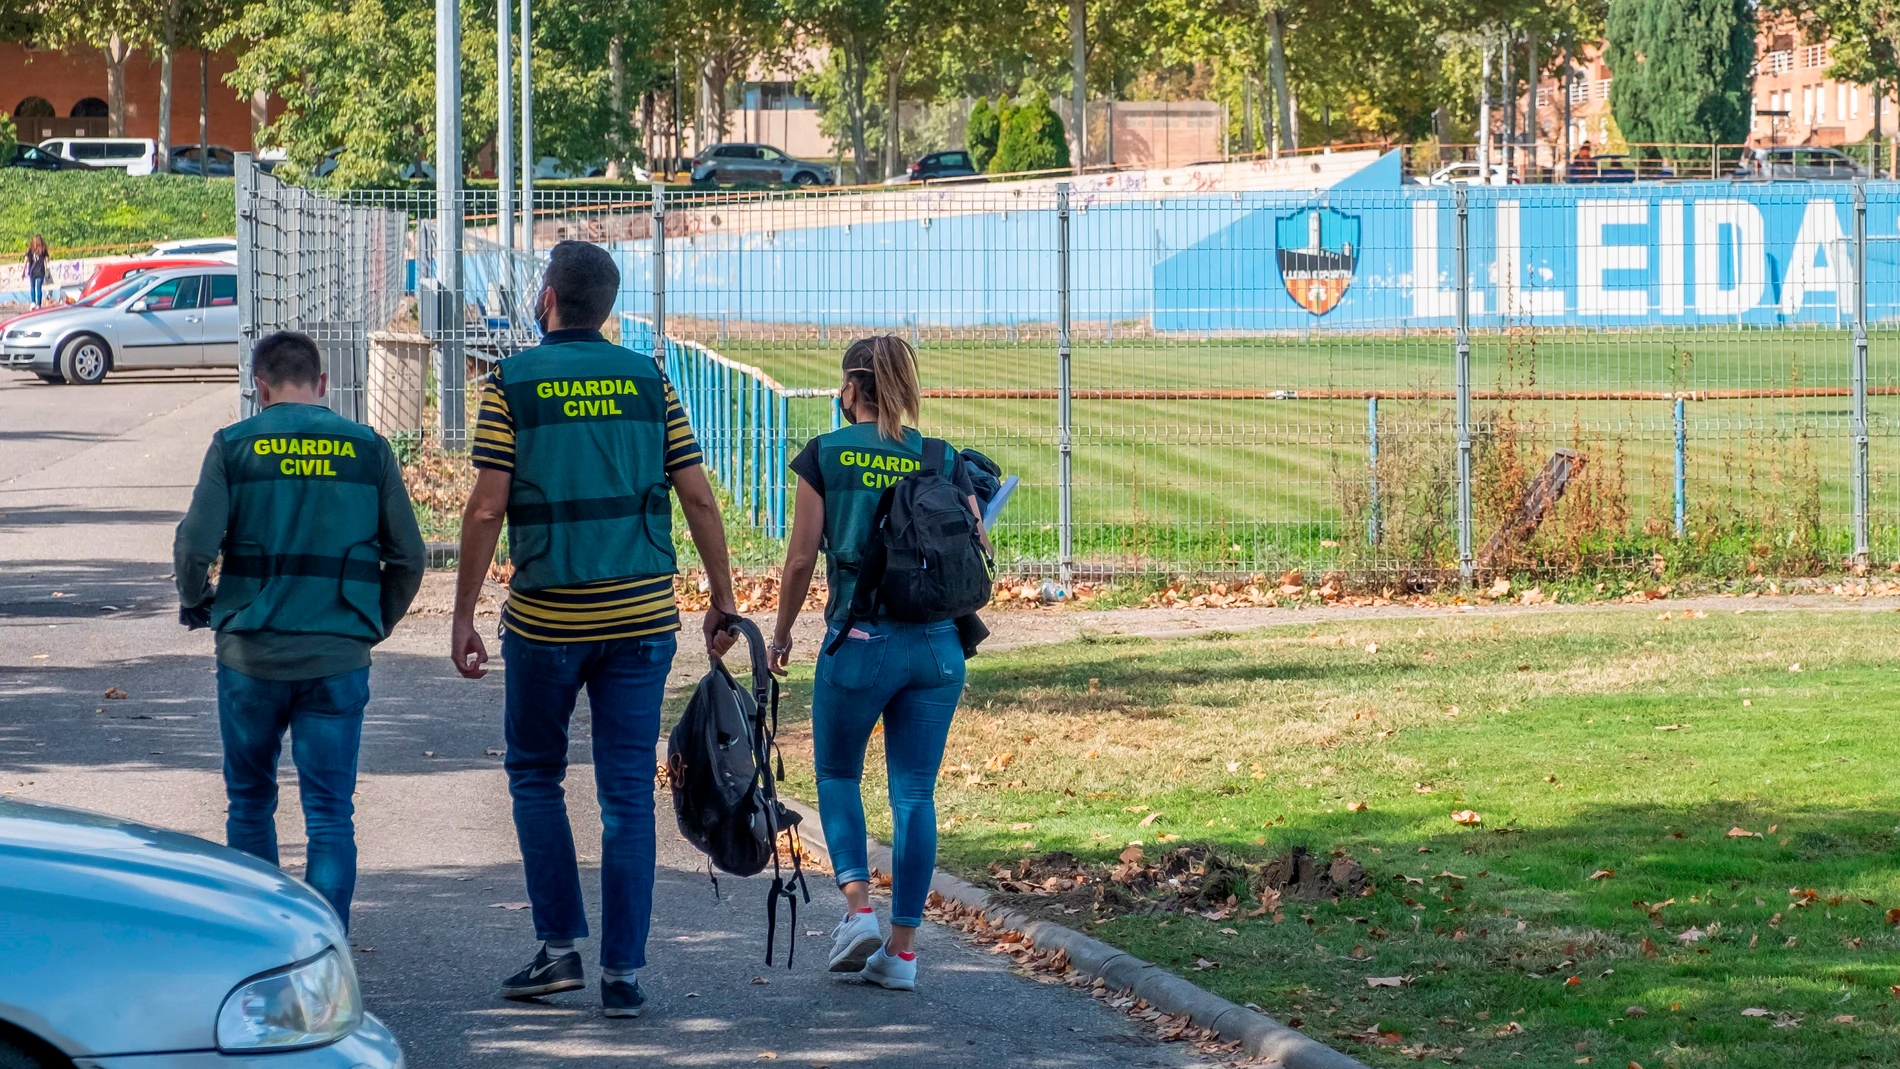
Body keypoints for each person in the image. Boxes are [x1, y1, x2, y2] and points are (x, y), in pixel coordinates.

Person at [449, 239, 739, 1019]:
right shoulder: (650, 379)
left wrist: (464, 612)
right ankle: (623, 973)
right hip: (642, 619)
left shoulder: (511, 382)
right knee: (625, 797)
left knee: (536, 774)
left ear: (547, 297)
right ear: (606, 308)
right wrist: (720, 596)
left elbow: (485, 506)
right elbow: (699, 498)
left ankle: (557, 952)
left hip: (547, 621)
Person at [173, 330, 426, 928]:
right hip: (337, 655)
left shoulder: (234, 447)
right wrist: (370, 624)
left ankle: (260, 943)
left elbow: (194, 545)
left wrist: (197, 601)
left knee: (251, 803)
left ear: (259, 387)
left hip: (250, 657)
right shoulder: (369, 449)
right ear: (322, 385)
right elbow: (410, 556)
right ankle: (323, 951)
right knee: (332, 815)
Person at [767, 336, 987, 993]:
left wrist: (780, 635)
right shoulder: (942, 457)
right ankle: (903, 951)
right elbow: (976, 549)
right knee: (916, 792)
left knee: (836, 772)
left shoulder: (825, 455)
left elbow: (803, 559)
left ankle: (859, 909)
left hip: (860, 643)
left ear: (852, 390)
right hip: (937, 645)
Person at [24, 235, 49, 307]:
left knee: (32, 287)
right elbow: (47, 260)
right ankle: (39, 304)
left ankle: (33, 302)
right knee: (39, 288)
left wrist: (23, 269)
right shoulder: (43, 249)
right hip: (41, 271)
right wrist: (47, 265)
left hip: (32, 271)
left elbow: (26, 259)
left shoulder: (30, 249)